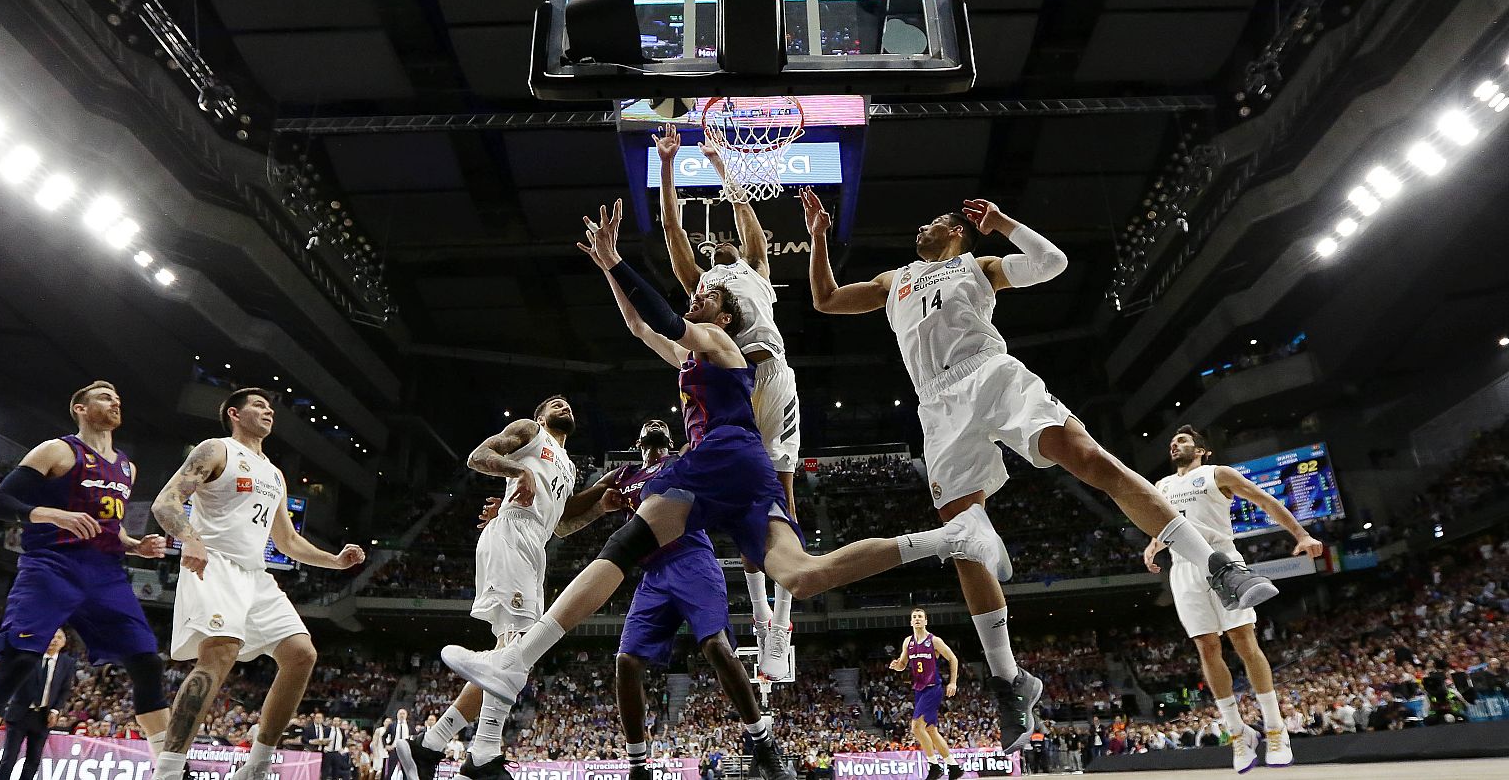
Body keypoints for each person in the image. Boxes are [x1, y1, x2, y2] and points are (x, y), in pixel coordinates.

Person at [439, 200, 1007, 774]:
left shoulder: (720, 345)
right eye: (696, 294)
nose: (698, 294)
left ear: (728, 316)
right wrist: (611, 271)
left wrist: (621, 262)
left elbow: (661, 318)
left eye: (707, 296)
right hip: (746, 472)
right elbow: (640, 325)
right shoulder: (693, 354)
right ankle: (947, 539)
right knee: (805, 576)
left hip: (719, 455)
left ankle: (515, 666)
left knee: (625, 546)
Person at [799, 190, 1279, 752]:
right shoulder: (893, 279)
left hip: (991, 375)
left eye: (934, 220)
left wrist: (1002, 223)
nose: (922, 226)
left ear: (957, 232)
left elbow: (1053, 263)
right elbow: (826, 300)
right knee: (964, 545)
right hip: (937, 404)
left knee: (1089, 459)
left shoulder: (976, 265)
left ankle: (1219, 566)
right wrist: (817, 238)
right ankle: (1010, 680)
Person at [0, 381, 171, 780]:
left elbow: (107, 527)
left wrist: (135, 545)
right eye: (104, 396)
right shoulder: (57, 450)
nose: (115, 401)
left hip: (105, 573)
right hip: (52, 564)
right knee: (20, 662)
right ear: (80, 408)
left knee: (147, 661)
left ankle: (169, 769)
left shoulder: (127, 466)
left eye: (117, 397)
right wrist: (52, 514)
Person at [396, 395, 623, 780]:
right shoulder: (531, 432)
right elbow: (478, 456)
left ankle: (431, 745)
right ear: (540, 415)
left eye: (568, 404)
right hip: (513, 533)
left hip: (536, 545)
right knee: (515, 650)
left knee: (513, 658)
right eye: (555, 403)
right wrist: (518, 471)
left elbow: (562, 524)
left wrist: (601, 506)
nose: (563, 405)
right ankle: (482, 752)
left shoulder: (567, 465)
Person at [150, 388, 367, 780]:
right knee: (219, 653)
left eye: (270, 407)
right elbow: (165, 502)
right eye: (259, 405)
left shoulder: (273, 472)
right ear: (234, 413)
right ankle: (167, 770)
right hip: (213, 563)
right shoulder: (216, 449)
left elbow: (287, 542)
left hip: (255, 574)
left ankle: (257, 767)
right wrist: (191, 539)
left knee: (302, 654)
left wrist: (334, 561)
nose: (268, 410)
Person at [655, 123, 802, 677]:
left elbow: (750, 221)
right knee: (748, 498)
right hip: (731, 385)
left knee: (783, 490)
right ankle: (761, 610)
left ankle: (777, 621)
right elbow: (673, 230)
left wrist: (721, 165)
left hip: (773, 373)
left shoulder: (755, 270)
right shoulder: (700, 287)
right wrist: (668, 167)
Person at [611, 419, 786, 780]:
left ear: (672, 440)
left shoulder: (684, 460)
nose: (656, 424)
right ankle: (638, 766)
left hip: (693, 559)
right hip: (653, 571)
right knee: (626, 662)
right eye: (649, 424)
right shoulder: (622, 476)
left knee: (716, 647)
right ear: (637, 440)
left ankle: (764, 746)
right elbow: (572, 514)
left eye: (663, 423)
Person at [1143, 425, 1322, 772]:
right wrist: (1153, 546)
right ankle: (1238, 734)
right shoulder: (1161, 486)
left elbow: (1266, 501)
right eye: (1171, 442)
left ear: (1201, 450)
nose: (1174, 445)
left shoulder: (1217, 474)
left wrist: (1301, 533)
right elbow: (1166, 528)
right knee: (1207, 648)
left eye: (1182, 441)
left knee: (1243, 641)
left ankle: (1275, 728)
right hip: (1183, 569)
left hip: (1223, 561)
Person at [886, 609, 961, 780]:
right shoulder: (908, 642)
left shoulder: (934, 640)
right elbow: (903, 664)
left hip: (933, 688)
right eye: (914, 617)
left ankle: (934, 766)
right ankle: (953, 766)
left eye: (920, 617)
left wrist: (953, 682)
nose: (917, 619)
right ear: (911, 622)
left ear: (926, 621)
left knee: (916, 727)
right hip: (919, 689)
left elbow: (953, 659)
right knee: (931, 731)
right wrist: (896, 665)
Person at [0, 629, 74, 780]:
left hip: (43, 717)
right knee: (9, 758)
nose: (54, 640)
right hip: (20, 713)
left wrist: (56, 710)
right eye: (51, 636)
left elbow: (65, 689)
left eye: (58, 637)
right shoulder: (30, 656)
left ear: (63, 642)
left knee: (34, 760)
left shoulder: (67, 663)